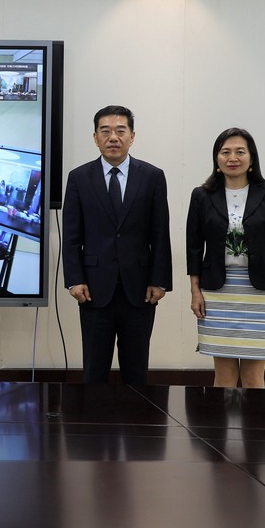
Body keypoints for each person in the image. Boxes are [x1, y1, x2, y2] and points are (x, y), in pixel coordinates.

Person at [62, 105, 172, 385]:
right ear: (95, 138)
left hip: (140, 289)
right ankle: (93, 415)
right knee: (94, 369)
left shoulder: (152, 176)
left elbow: (160, 233)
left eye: (120, 131)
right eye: (105, 131)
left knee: (136, 369)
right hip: (93, 288)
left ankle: (136, 414)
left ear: (132, 136)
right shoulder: (79, 178)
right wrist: (74, 280)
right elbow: (72, 235)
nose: (113, 137)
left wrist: (159, 281)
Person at [187, 128, 265, 389]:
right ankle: (220, 419)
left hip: (260, 291)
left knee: (253, 377)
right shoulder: (201, 195)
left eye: (240, 152)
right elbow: (193, 248)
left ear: (251, 158)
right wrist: (195, 292)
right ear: (217, 159)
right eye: (225, 152)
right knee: (224, 377)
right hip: (218, 290)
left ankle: (255, 419)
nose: (232, 158)